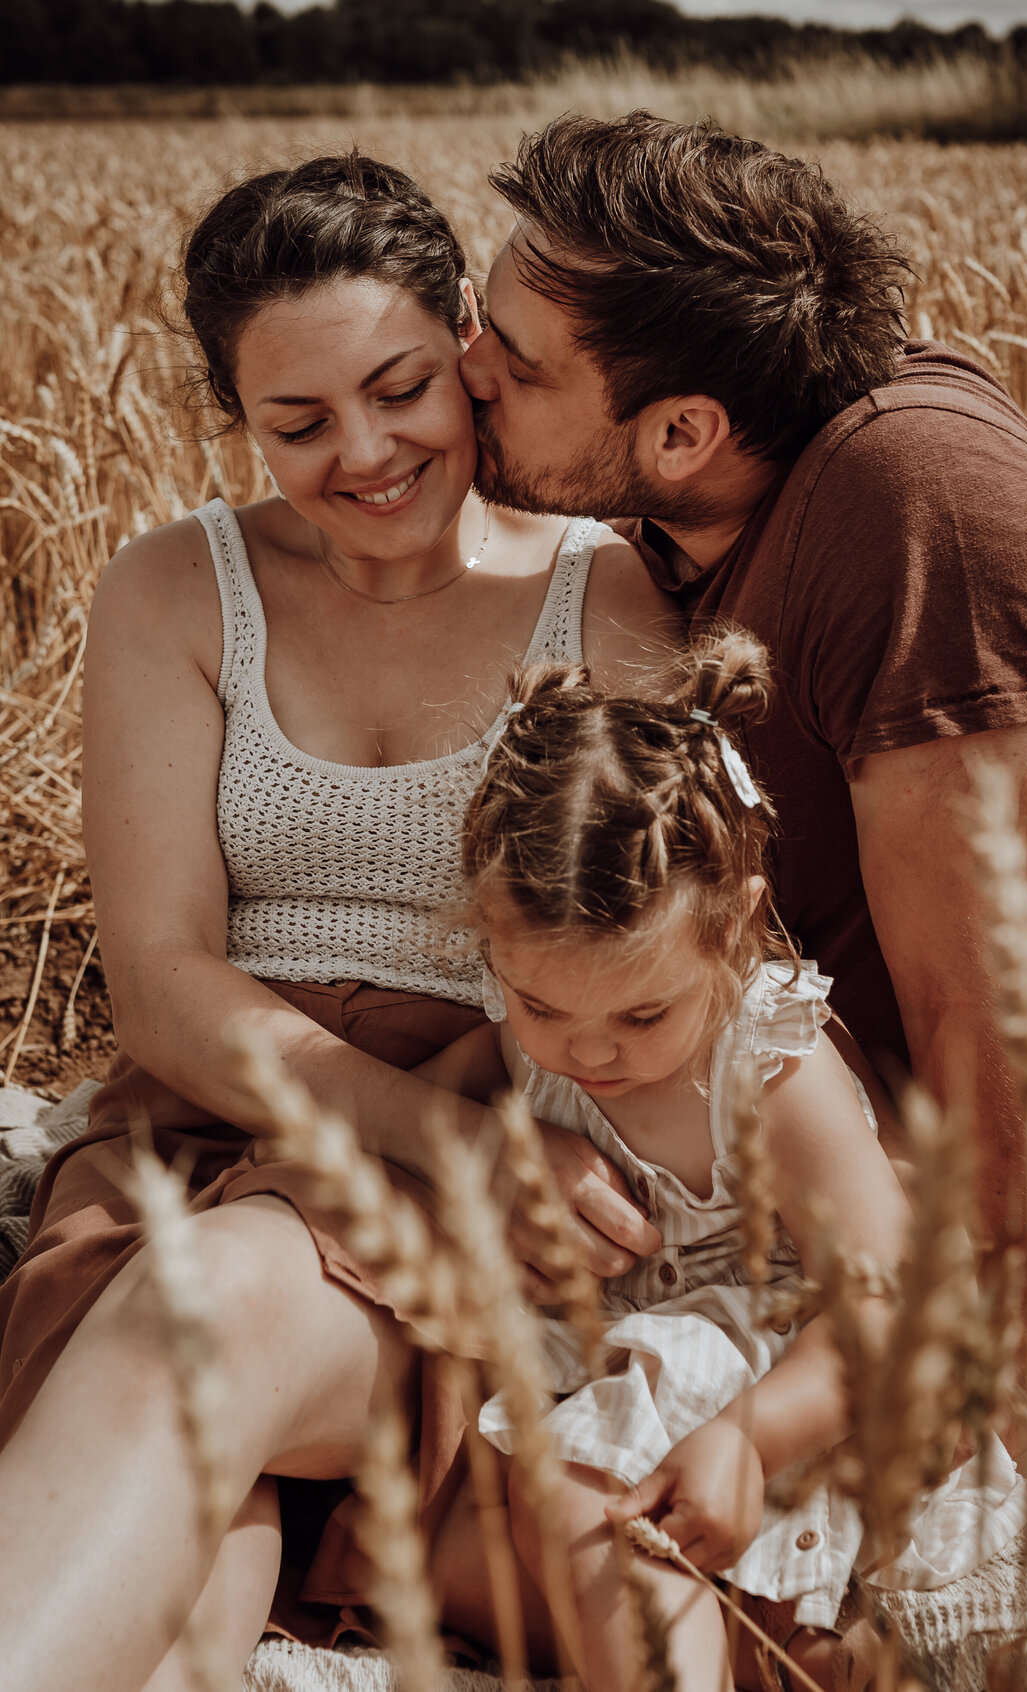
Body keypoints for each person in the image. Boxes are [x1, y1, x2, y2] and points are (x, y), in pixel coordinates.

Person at [0, 152, 673, 1692]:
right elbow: (161, 978)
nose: (365, 454)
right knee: (194, 1547)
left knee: (199, 1316)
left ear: (469, 343)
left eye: (401, 390)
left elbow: (648, 946)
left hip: (484, 1140)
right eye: (298, 423)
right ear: (237, 414)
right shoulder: (177, 589)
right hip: (206, 1117)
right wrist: (443, 1139)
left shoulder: (606, 598)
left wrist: (482, 1146)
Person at [457, 111, 1027, 1503]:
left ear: (683, 431)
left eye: (518, 365)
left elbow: (984, 1016)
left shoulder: (922, 508)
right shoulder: (706, 499)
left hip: (853, 1197)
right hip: (693, 1143)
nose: (466, 365)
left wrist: (1006, 1431)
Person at [423, 632, 1027, 1692]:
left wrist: (751, 1441)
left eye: (642, 1014)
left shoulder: (767, 1065)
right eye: (541, 1007)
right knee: (443, 1552)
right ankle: (771, 1643)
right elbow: (434, 1109)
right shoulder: (530, 1030)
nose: (589, 1051)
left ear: (735, 928)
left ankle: (733, 1640)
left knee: (580, 1498)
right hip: (621, 1365)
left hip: (790, 1394)